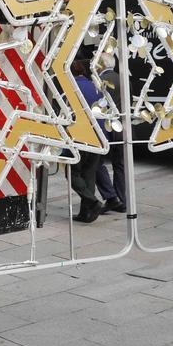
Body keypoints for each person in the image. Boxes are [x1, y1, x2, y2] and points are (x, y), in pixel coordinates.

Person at [70, 58, 106, 223]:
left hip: (81, 135)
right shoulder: (94, 85)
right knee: (89, 174)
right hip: (98, 135)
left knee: (73, 174)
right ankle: (86, 213)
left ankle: (92, 201)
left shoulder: (71, 87)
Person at [94, 54, 127, 214]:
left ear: (100, 64)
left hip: (107, 128)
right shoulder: (123, 78)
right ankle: (122, 200)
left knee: (96, 163)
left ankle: (110, 195)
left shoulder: (101, 81)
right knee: (120, 165)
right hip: (123, 129)